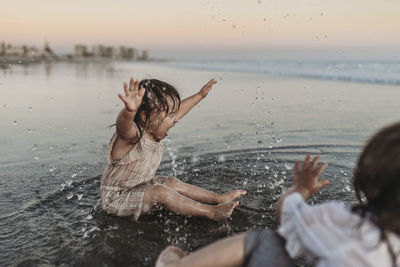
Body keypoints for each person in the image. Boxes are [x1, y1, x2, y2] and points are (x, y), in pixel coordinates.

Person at [156, 123, 400, 267]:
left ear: (366, 180)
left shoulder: (341, 218)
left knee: (267, 240)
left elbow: (285, 214)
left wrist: (300, 190)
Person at [100, 77, 246, 222]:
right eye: (170, 116)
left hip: (139, 187)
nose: (176, 120)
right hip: (117, 198)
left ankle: (218, 198)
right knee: (160, 192)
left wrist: (199, 95)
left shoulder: (154, 128)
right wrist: (129, 112)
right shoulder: (133, 137)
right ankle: (210, 212)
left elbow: (180, 111)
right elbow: (123, 128)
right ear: (145, 117)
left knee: (171, 182)